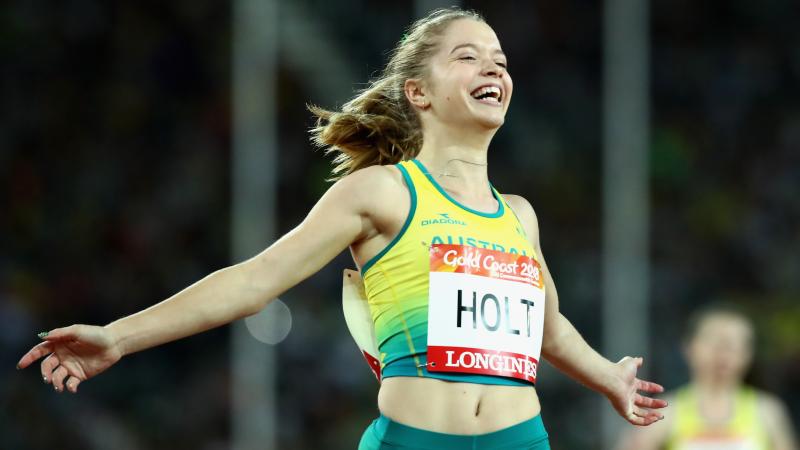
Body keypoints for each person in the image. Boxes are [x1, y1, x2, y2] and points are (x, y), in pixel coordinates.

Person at [17, 8, 667, 449]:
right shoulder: (382, 193)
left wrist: (606, 376)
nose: (494, 69)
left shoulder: (518, 214)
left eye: (499, 59)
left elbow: (547, 326)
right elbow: (254, 281)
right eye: (469, 57)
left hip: (522, 439)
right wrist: (118, 337)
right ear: (418, 92)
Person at [616, 304, 798, 450]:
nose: (724, 351)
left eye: (735, 343)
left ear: (749, 353)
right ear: (688, 347)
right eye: (715, 340)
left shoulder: (768, 412)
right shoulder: (664, 414)